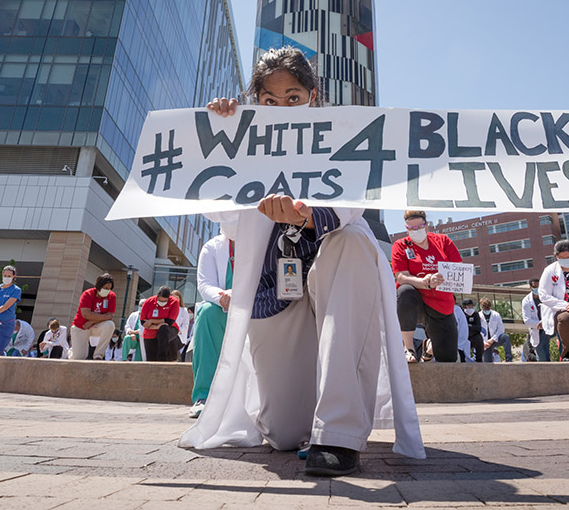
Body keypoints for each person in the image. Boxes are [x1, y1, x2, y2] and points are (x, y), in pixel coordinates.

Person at [180, 47, 425, 476]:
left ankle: (339, 434)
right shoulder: (248, 141)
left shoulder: (339, 139)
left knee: (351, 243)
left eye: (292, 98)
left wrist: (309, 216)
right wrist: (222, 133)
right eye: (269, 101)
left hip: (335, 284)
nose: (281, 110)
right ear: (256, 102)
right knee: (284, 433)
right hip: (277, 295)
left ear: (312, 96)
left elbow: (351, 207)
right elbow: (216, 211)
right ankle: (309, 419)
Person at [392, 210, 462, 363]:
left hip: (441, 305)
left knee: (448, 358)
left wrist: (441, 277)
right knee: (404, 292)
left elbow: (458, 270)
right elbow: (401, 276)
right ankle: (408, 347)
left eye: (420, 227)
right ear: (406, 228)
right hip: (416, 302)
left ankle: (429, 347)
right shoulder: (401, 245)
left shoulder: (443, 241)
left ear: (427, 225)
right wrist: (425, 281)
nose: (416, 231)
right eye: (411, 228)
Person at [191, 228, 234, 418]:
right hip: (223, 308)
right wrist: (224, 296)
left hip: (259, 306)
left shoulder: (263, 241)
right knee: (207, 312)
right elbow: (205, 284)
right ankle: (204, 396)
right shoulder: (212, 247)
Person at [70, 274, 116, 360]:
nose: (107, 291)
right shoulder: (88, 294)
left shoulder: (111, 296)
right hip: (81, 326)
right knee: (79, 357)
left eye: (109, 289)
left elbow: (110, 315)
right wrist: (102, 317)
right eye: (105, 288)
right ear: (99, 286)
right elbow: (86, 314)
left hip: (95, 326)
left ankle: (98, 355)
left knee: (110, 325)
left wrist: (92, 321)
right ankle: (71, 351)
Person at [0, 265, 21, 357]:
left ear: (13, 277)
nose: (6, 278)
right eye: (5, 275)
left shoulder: (16, 290)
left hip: (6, 323)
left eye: (9, 276)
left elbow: (5, 306)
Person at [140, 286, 181, 362]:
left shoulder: (174, 302)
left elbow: (169, 321)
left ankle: (162, 359)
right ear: (157, 296)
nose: (162, 303)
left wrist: (151, 321)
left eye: (164, 301)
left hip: (169, 329)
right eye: (160, 300)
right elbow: (143, 322)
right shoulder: (148, 302)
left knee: (163, 329)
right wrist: (158, 325)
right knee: (151, 359)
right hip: (150, 331)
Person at [522, 278, 551, 362]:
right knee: (542, 358)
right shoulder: (526, 301)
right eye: (535, 287)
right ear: (530, 287)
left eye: (539, 286)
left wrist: (545, 321)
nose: (537, 289)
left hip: (549, 327)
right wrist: (539, 323)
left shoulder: (546, 297)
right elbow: (527, 321)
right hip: (537, 330)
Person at [480, 298, 512, 362]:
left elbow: (501, 329)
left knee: (505, 337)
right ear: (482, 307)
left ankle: (509, 360)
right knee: (488, 364)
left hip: (495, 339)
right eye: (485, 309)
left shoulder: (496, 315)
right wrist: (483, 343)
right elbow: (478, 331)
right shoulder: (478, 316)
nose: (487, 310)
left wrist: (492, 339)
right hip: (485, 343)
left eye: (488, 308)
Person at [172, 290, 190, 359]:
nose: (174, 300)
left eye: (176, 298)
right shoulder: (168, 309)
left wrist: (179, 330)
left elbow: (186, 325)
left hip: (179, 336)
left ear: (180, 299)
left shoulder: (183, 310)